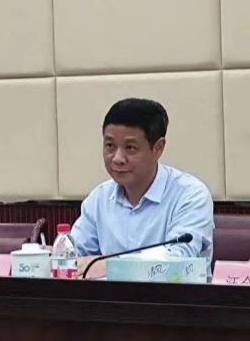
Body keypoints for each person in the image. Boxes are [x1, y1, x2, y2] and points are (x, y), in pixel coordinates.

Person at [71, 98, 214, 278]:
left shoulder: (190, 195)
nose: (117, 158)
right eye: (110, 146)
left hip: (173, 296)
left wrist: (112, 265)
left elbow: (179, 261)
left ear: (158, 148)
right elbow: (73, 257)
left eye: (130, 148)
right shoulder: (99, 197)